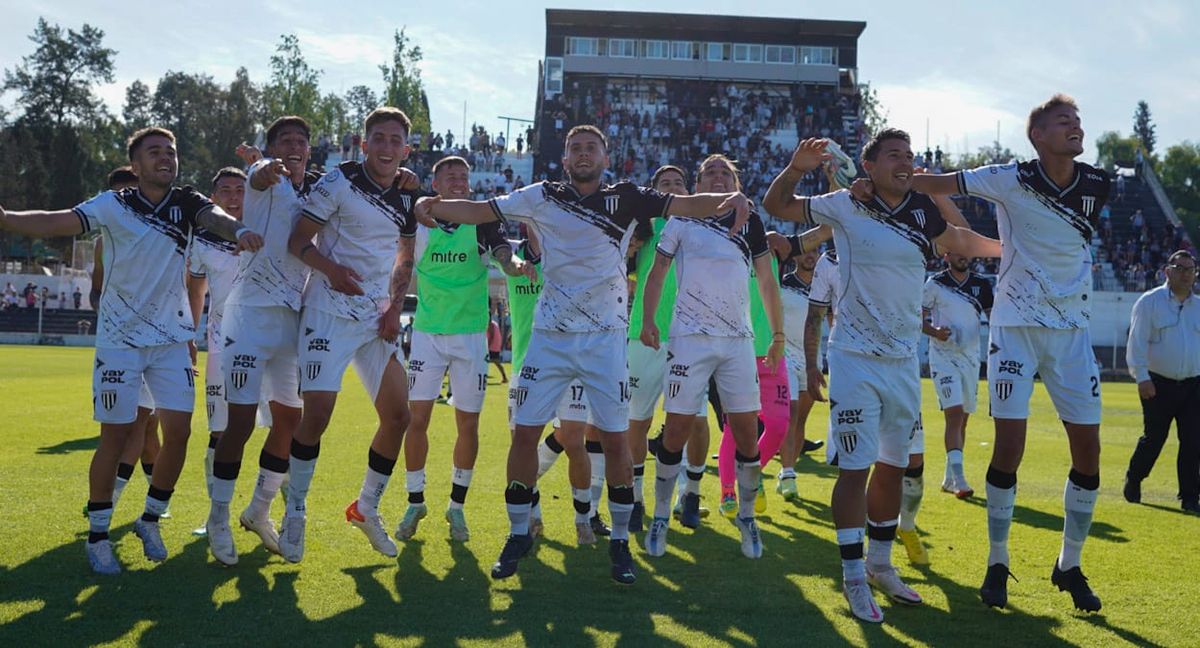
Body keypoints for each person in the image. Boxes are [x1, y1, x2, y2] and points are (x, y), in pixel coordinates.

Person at [414, 124, 751, 584]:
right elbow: (479, 210)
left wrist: (730, 200)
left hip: (605, 339)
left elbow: (685, 204)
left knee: (614, 440)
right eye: (575, 148)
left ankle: (618, 542)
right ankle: (517, 533)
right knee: (524, 435)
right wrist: (428, 205)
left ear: (606, 156)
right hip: (549, 338)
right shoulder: (542, 195)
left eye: (592, 146)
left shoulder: (628, 197)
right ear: (565, 158)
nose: (583, 153)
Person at [0, 126, 263, 574]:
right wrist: (6, 216)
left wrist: (237, 229)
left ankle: (149, 519)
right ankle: (98, 536)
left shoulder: (188, 203)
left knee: (177, 434)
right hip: (119, 342)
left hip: (170, 341)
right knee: (117, 437)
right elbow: (55, 220)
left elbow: (216, 217)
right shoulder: (113, 205)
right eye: (154, 152)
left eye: (171, 151)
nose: (166, 157)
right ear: (136, 164)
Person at [763, 133, 1000, 623]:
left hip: (902, 363)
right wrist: (796, 166)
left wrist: (1011, 249)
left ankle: (880, 564)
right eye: (894, 155)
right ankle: (852, 576)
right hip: (854, 359)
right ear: (867, 165)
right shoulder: (845, 205)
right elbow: (778, 205)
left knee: (895, 465)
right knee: (856, 468)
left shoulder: (922, 212)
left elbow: (958, 240)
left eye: (910, 156)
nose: (906, 162)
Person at [898, 95, 1110, 613]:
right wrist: (897, 180)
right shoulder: (1008, 177)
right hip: (1015, 330)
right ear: (1037, 135)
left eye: (1078, 122)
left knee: (1089, 453)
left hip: (1073, 335)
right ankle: (997, 560)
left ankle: (1069, 564)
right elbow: (940, 185)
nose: (1075, 128)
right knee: (1008, 447)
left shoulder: (1100, 183)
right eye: (1064, 122)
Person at [279, 108, 421, 563]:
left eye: (394, 140)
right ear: (363, 144)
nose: (385, 147)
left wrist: (394, 307)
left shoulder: (406, 196)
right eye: (377, 138)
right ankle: (295, 508)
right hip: (327, 310)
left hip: (374, 318)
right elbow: (297, 242)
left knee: (399, 417)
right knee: (318, 414)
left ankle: (366, 507)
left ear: (405, 148)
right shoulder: (338, 182)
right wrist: (331, 270)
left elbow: (405, 257)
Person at [640, 154, 783, 560]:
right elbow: (657, 273)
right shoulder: (683, 220)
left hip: (737, 341)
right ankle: (661, 515)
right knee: (676, 430)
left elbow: (769, 282)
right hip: (689, 339)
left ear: (736, 180)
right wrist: (650, 319)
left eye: (726, 172)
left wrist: (777, 335)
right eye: (710, 172)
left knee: (746, 434)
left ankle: (749, 517)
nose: (718, 177)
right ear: (698, 182)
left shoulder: (750, 222)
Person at [204, 117, 322, 566]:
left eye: (301, 142)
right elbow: (260, 173)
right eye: (285, 141)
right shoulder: (261, 182)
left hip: (291, 323)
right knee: (237, 424)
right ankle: (218, 516)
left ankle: (258, 510)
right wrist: (265, 165)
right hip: (247, 320)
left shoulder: (313, 194)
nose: (294, 146)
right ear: (271, 147)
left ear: (310, 150)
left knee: (290, 422)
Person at [395, 155, 530, 544]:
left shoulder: (482, 220)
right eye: (449, 175)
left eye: (464, 176)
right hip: (427, 335)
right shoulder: (418, 220)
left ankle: (456, 508)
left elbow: (504, 252)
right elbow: (402, 263)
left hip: (471, 336)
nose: (458, 180)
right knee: (416, 420)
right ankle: (415, 500)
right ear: (435, 184)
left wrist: (515, 265)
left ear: (470, 185)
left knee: (467, 424)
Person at [626, 166, 712, 531]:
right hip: (644, 333)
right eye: (665, 184)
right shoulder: (643, 226)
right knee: (637, 419)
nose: (673, 188)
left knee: (694, 419)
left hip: (693, 336)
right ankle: (633, 498)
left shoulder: (706, 224)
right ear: (655, 191)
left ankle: (689, 494)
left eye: (679, 183)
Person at [188, 167, 247, 540]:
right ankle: (216, 515)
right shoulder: (203, 239)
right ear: (213, 199)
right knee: (218, 433)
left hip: (270, 345)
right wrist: (188, 338)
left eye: (240, 190)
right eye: (225, 190)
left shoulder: (270, 229)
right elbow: (195, 291)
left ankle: (279, 508)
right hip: (221, 348)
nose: (233, 196)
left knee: (284, 427)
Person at [1123, 250, 1199, 512]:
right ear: (1168, 271)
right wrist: (1141, 377)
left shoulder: (1198, 306)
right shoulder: (1149, 302)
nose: (1187, 274)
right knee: (1154, 438)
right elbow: (1136, 342)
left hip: (1193, 385)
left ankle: (1190, 497)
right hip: (1158, 384)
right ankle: (1135, 477)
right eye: (1181, 268)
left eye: (1191, 269)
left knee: (1193, 440)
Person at [922, 251, 994, 502]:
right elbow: (916, 318)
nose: (964, 255)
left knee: (962, 420)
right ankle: (960, 480)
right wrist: (934, 331)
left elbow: (994, 319)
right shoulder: (935, 284)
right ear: (946, 255)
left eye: (966, 251)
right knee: (953, 416)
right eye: (958, 252)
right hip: (943, 358)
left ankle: (948, 478)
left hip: (971, 359)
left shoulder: (981, 284)